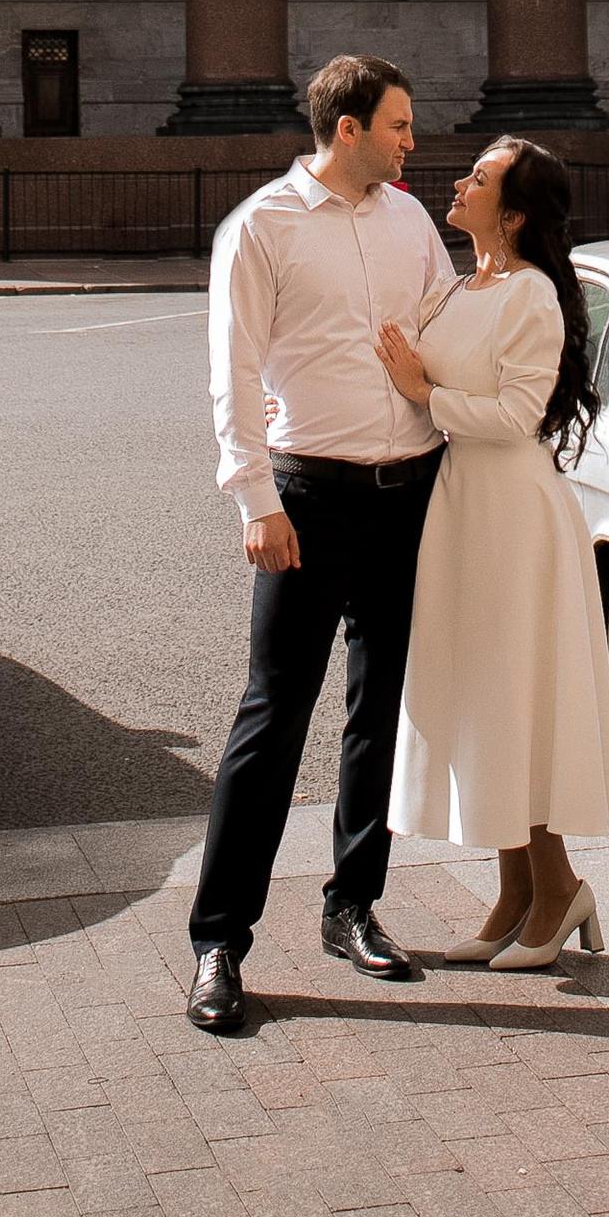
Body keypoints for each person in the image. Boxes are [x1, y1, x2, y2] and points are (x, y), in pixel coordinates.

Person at [187, 53, 456, 1035]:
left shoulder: (412, 221)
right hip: (307, 494)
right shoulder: (260, 226)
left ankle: (352, 905)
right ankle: (219, 941)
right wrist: (255, 499)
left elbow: (445, 322)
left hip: (407, 490)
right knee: (272, 716)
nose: (410, 141)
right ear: (347, 128)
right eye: (398, 124)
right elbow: (234, 367)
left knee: (378, 709)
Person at [379, 136, 609, 965]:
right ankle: (520, 890)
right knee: (489, 697)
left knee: (516, 695)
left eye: (479, 178)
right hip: (465, 507)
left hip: (514, 513)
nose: (459, 180)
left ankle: (556, 890)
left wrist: (428, 394)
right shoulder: (457, 289)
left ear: (513, 212)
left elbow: (522, 416)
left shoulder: (532, 296)